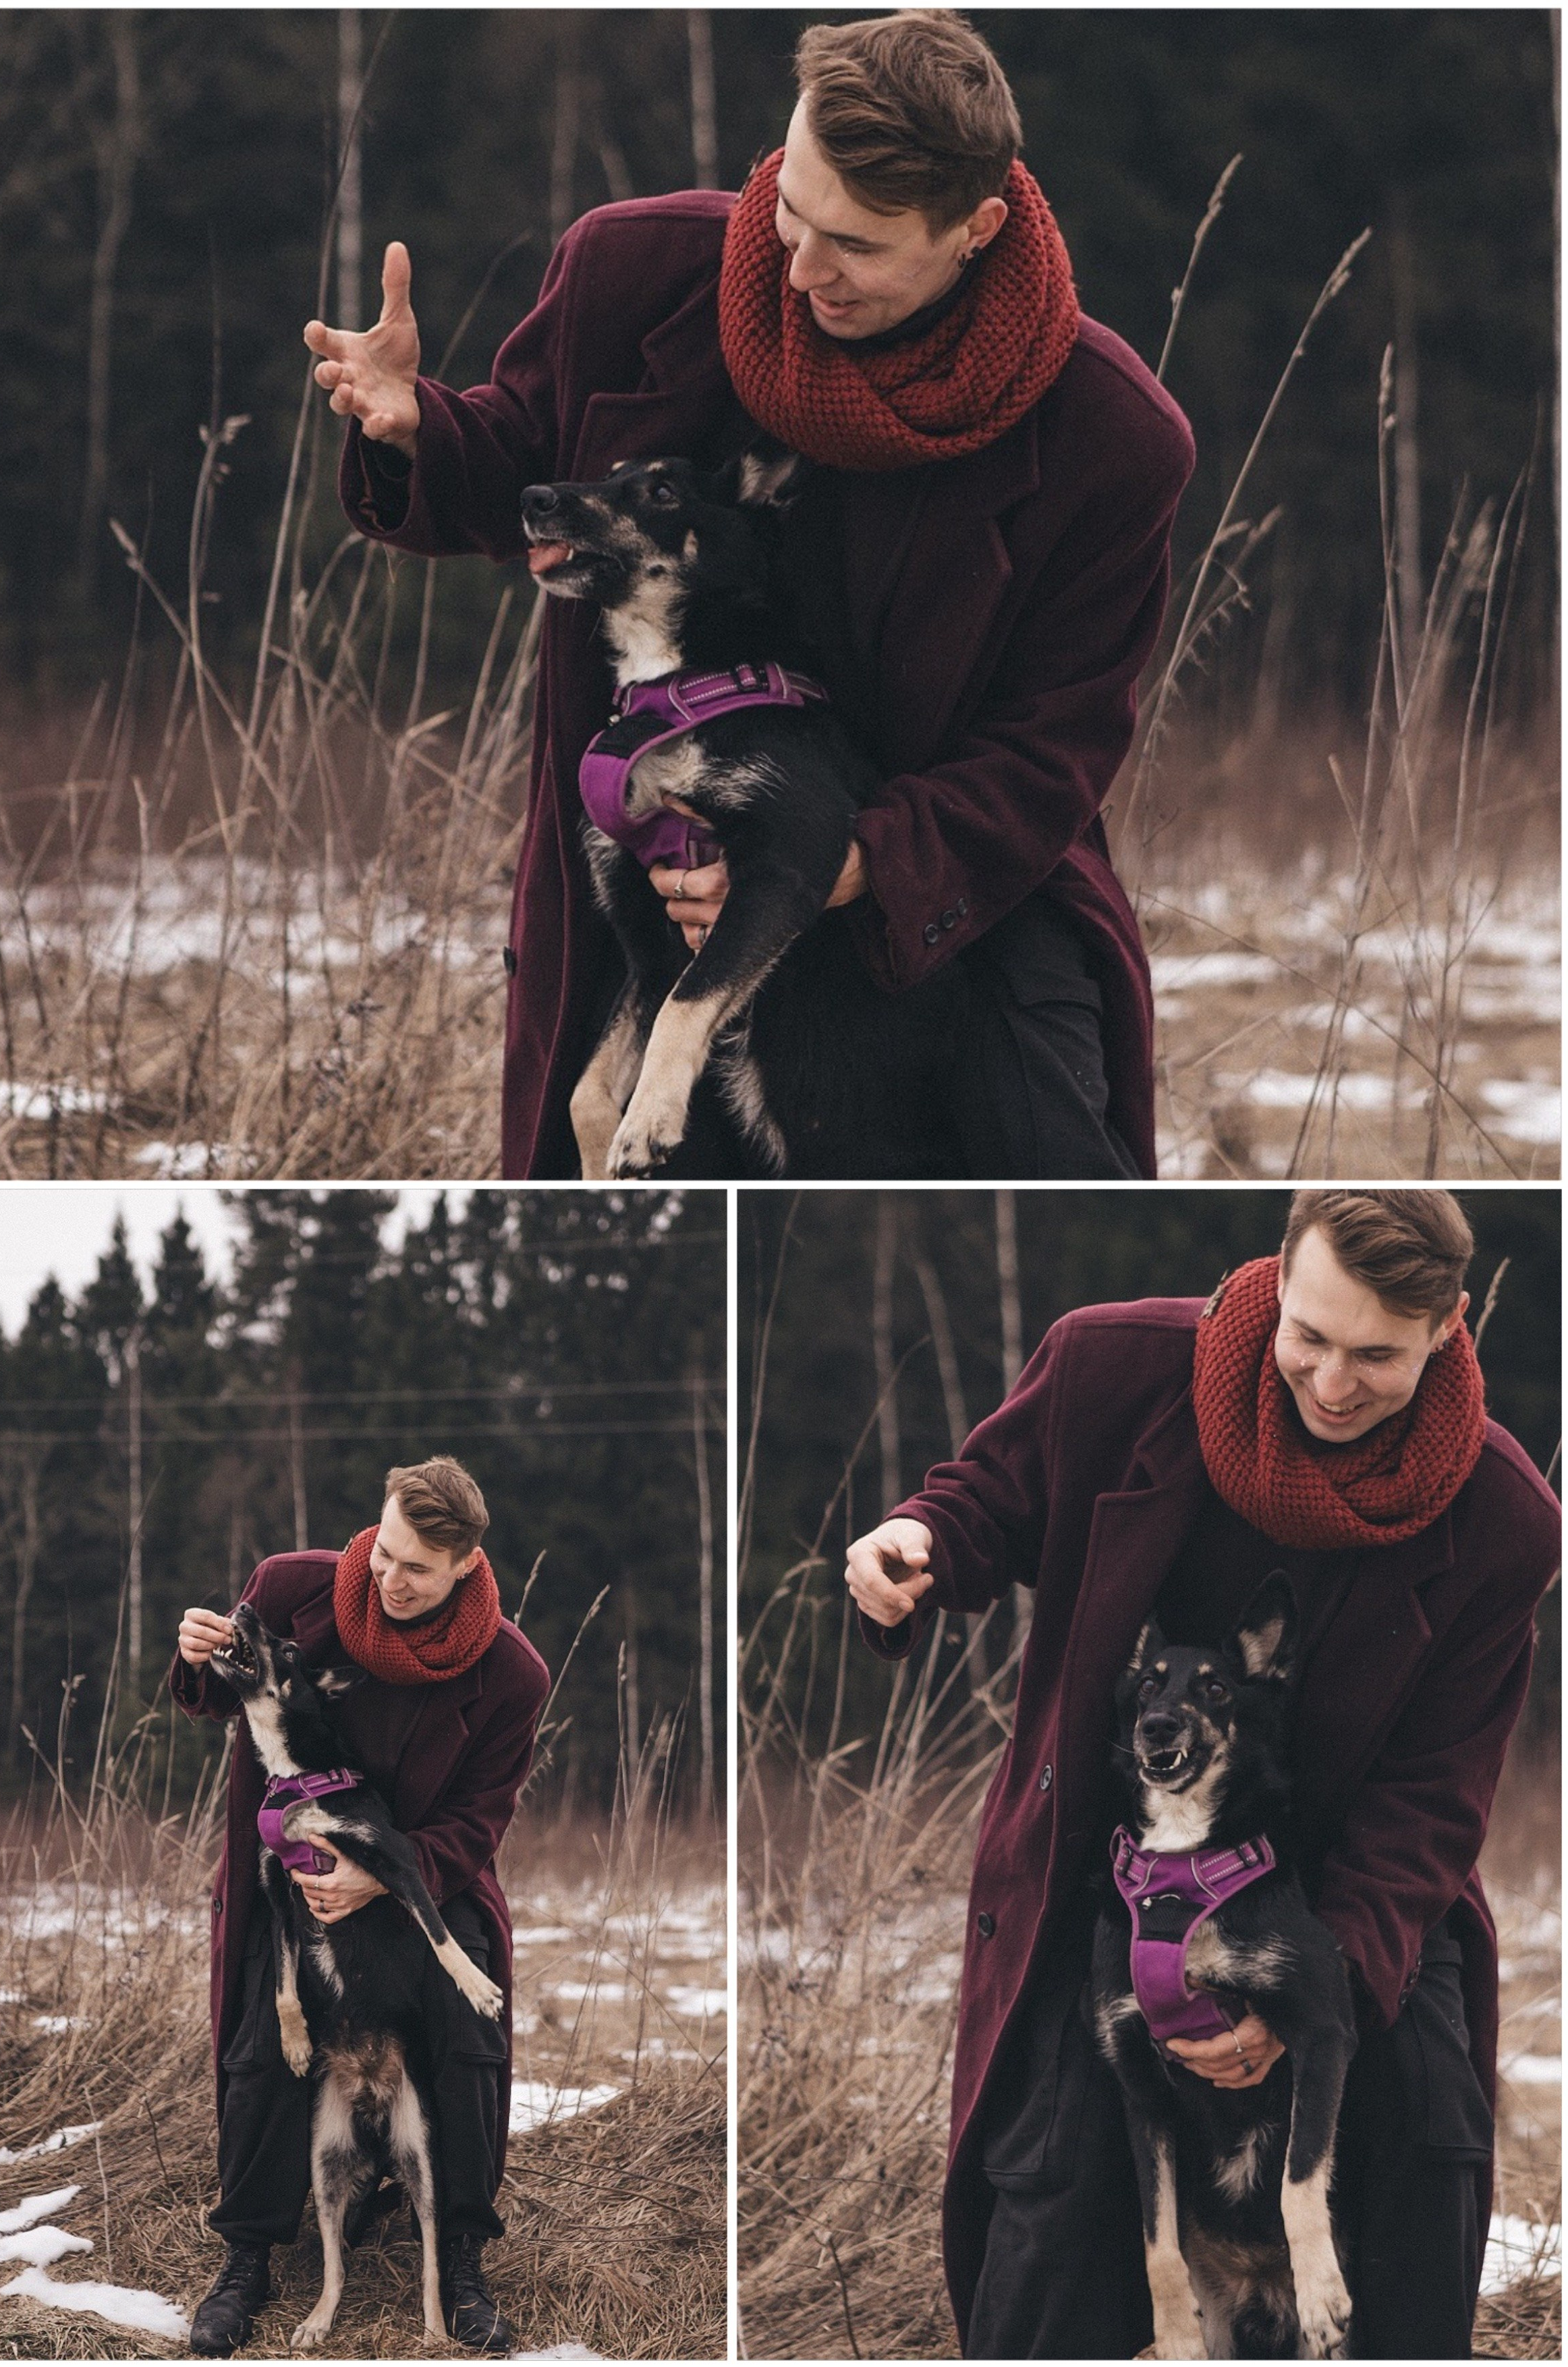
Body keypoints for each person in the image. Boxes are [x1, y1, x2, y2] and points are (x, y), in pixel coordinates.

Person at [305, 9, 1195, 1180]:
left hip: (948, 902)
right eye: (791, 210)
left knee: (1037, 1179)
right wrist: (418, 430)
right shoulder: (634, 271)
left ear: (975, 229)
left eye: (857, 246)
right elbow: (523, 471)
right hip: (659, 870)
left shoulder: (1110, 437)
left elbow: (1049, 752)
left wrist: (840, 864)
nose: (803, 267)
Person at [845, 1190, 1559, 2359]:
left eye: (1378, 1356)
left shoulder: (1503, 1519)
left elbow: (1434, 1800)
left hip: (1355, 1896)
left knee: (1424, 2156)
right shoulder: (1112, 1365)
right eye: (1310, 1337)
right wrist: (916, 1542)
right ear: (1276, 1279)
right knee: (1057, 2196)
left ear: (1449, 1326)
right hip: (1112, 1875)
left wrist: (1319, 1984)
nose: (1333, 1383)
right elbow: (986, 1503)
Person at [171, 1457, 549, 2358]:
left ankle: (460, 2257)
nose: (392, 1579)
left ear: (467, 1565)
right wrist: (193, 1657)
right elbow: (226, 1692)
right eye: (385, 1552)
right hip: (293, 1871)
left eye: (418, 1569)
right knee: (265, 2038)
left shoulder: (511, 1673)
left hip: (421, 1879)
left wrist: (381, 1877)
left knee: (466, 2029)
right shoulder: (289, 1589)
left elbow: (480, 1820)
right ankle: (248, 2256)